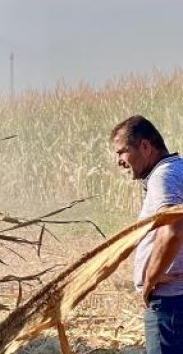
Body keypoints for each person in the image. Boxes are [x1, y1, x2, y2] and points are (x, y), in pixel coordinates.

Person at [112, 115, 183, 354]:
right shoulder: (175, 171)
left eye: (122, 152)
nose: (119, 161)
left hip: (169, 304)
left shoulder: (164, 177)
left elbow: (173, 228)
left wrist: (151, 277)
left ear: (145, 146)